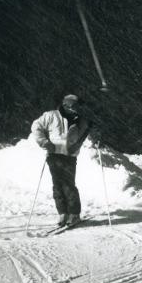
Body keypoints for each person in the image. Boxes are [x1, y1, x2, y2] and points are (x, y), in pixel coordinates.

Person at [30, 94, 93, 227]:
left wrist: (98, 137)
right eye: (73, 106)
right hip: (54, 155)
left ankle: (74, 214)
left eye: (77, 106)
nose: (75, 109)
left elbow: (87, 132)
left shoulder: (80, 120)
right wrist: (44, 142)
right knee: (57, 185)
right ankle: (62, 213)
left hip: (70, 156)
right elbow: (36, 126)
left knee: (68, 185)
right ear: (66, 105)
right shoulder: (51, 115)